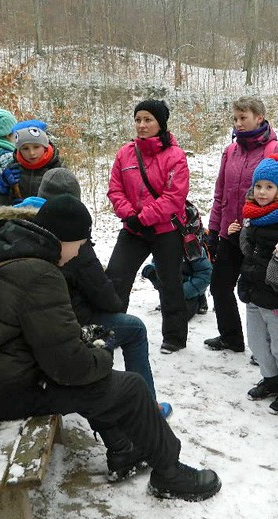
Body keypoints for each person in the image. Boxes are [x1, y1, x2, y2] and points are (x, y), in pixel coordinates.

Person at [0, 195, 221, 501]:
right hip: (8, 391)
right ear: (65, 239)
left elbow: (42, 339)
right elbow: (71, 368)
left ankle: (124, 451)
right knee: (130, 387)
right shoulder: (40, 274)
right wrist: (101, 352)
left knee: (98, 382)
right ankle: (169, 473)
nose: (78, 252)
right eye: (80, 243)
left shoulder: (9, 251)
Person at [0, 181, 174, 420]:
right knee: (135, 328)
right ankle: (149, 409)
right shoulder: (68, 241)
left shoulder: (13, 232)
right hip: (49, 337)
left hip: (12, 342)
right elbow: (106, 299)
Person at [105, 100, 190, 354]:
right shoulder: (125, 153)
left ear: (160, 124)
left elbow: (175, 197)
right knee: (116, 277)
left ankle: (174, 336)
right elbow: (115, 189)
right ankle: (112, 329)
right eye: (138, 119)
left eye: (148, 120)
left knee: (170, 282)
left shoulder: (176, 156)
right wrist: (130, 216)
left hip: (165, 230)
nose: (141, 125)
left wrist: (144, 217)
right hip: (133, 230)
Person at [204, 96, 278, 354]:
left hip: (260, 236)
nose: (238, 123)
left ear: (259, 118)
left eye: (244, 118)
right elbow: (221, 194)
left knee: (260, 294)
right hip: (230, 232)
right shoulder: (230, 151)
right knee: (219, 286)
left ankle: (266, 349)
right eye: (236, 118)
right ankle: (231, 337)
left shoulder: (275, 151)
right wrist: (214, 230)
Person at [231, 155, 278, 414]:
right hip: (254, 291)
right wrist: (238, 234)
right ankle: (271, 379)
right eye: (258, 186)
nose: (262, 192)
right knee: (256, 342)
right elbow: (249, 252)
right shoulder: (253, 216)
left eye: (269, 187)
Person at [0, 119, 64, 206]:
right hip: (19, 218)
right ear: (19, 149)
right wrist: (2, 187)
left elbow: (71, 204)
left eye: (36, 147)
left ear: (45, 146)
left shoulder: (58, 168)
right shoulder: (13, 168)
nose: (32, 153)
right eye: (25, 148)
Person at [141, 249, 212, 321]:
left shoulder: (191, 245)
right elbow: (158, 264)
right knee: (153, 272)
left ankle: (200, 301)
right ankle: (167, 298)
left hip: (189, 289)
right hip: (172, 284)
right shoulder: (163, 243)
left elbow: (205, 274)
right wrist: (151, 270)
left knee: (179, 316)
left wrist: (181, 291)